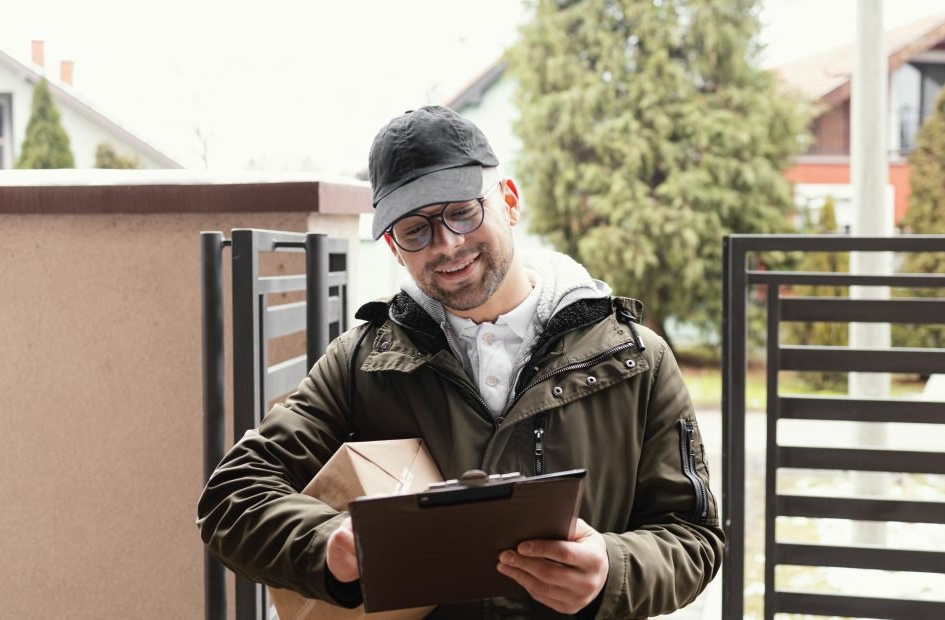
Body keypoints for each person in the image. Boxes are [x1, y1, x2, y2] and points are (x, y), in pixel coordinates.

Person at [197, 105, 723, 618]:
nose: (447, 244)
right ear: (394, 249)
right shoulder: (361, 363)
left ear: (510, 202)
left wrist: (611, 570)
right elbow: (230, 497)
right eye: (414, 230)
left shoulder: (635, 358)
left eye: (462, 211)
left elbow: (694, 536)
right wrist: (326, 547)